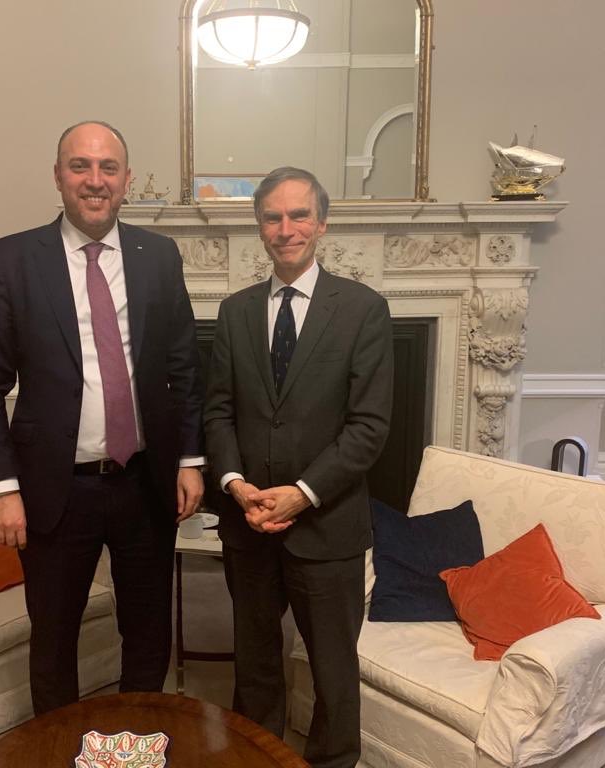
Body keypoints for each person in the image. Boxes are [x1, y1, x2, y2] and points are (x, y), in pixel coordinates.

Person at [0, 120, 204, 716]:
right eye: (80, 166)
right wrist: (1, 488)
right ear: (58, 176)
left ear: (126, 180)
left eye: (107, 168)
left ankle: (136, 747)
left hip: (145, 483)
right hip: (54, 489)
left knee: (147, 633)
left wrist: (190, 458)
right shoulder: (11, 260)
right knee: (53, 639)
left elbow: (185, 367)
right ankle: (59, 749)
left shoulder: (158, 256)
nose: (95, 180)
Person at [204, 167, 393, 768]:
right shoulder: (234, 312)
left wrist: (303, 493)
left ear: (322, 223)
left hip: (328, 527)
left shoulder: (363, 310)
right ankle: (256, 759)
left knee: (333, 672)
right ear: (259, 227)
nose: (286, 229)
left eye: (299, 215)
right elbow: (218, 412)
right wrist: (235, 486)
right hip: (249, 525)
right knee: (255, 666)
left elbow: (369, 427)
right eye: (272, 217)